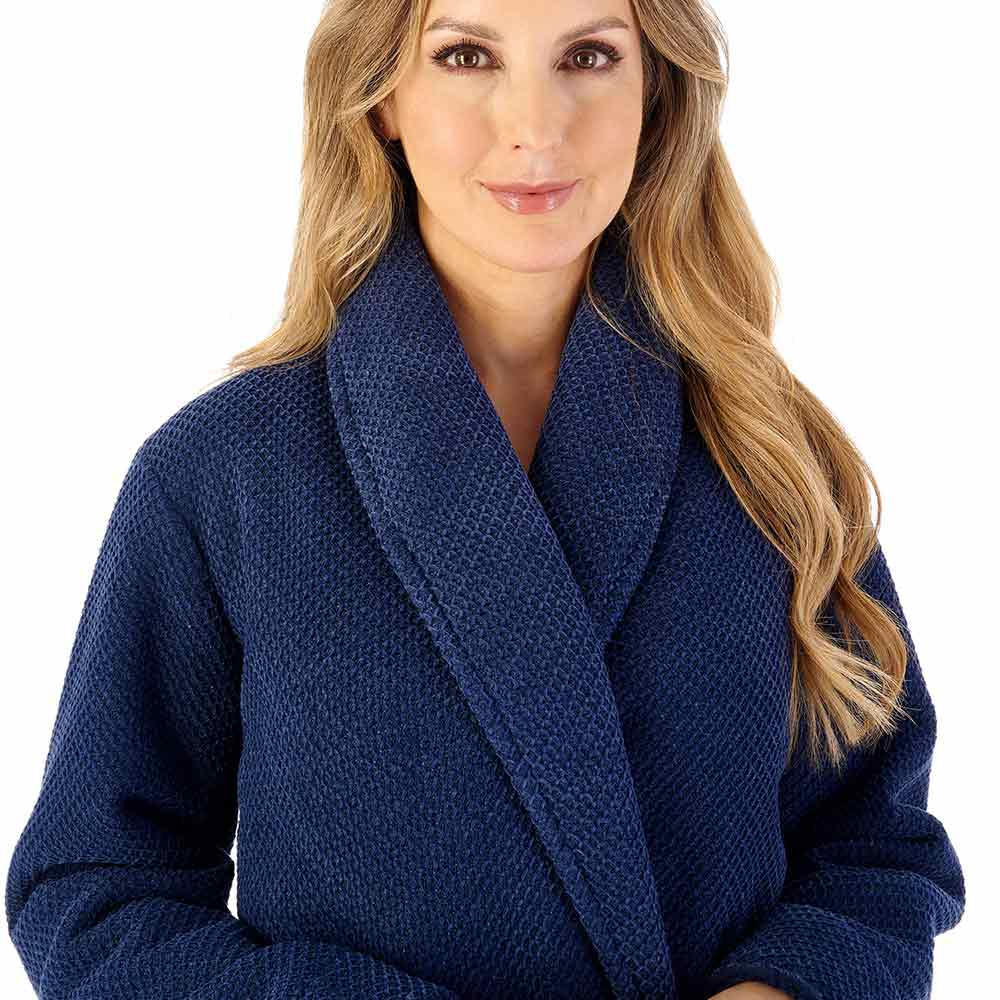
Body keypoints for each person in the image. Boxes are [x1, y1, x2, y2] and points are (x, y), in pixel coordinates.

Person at [5, 3, 965, 999]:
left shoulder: (771, 458)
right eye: (466, 55)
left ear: (657, 92)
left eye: (589, 55)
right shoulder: (221, 472)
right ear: (381, 98)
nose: (535, 126)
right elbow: (97, 891)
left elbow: (874, 850)